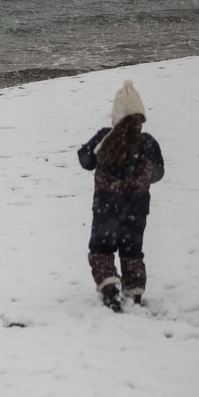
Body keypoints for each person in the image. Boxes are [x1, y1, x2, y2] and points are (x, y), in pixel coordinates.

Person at [77, 80, 164, 312]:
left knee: (101, 250)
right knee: (132, 251)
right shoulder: (147, 144)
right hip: (137, 211)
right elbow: (158, 174)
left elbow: (85, 160)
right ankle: (134, 293)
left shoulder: (105, 139)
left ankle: (110, 289)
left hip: (106, 209)